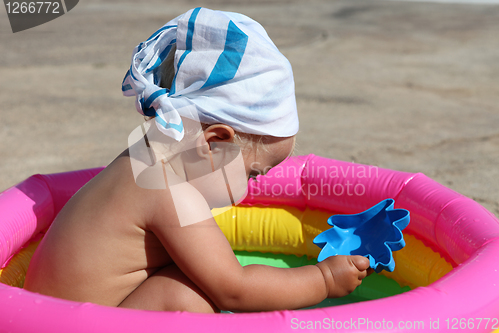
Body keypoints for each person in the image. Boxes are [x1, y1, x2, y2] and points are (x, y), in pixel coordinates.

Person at [24, 7, 370, 313]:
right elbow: (235, 290)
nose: (249, 191)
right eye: (251, 174)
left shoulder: (143, 159)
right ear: (214, 142)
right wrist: (324, 279)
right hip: (71, 326)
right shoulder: (170, 191)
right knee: (188, 296)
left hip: (34, 314)